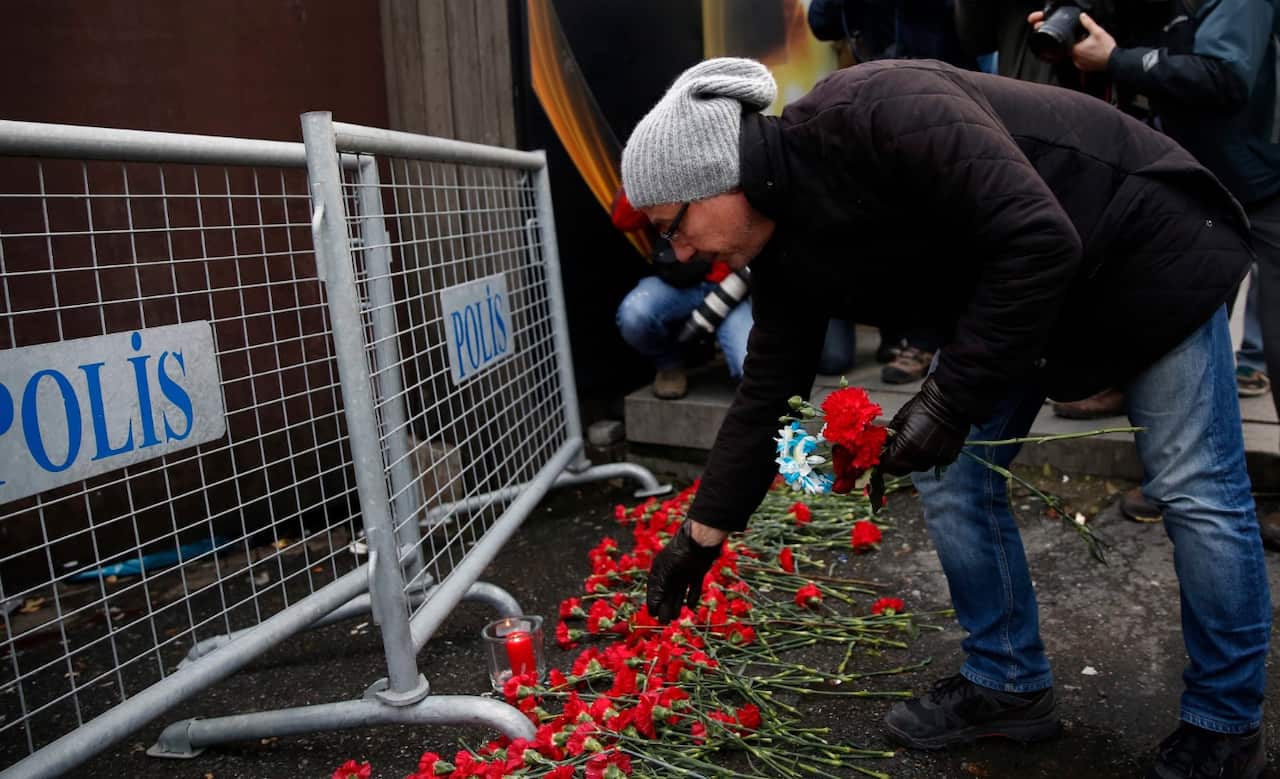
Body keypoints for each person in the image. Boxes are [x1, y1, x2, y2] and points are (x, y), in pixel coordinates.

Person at [628, 58, 1269, 778]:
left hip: (1144, 243)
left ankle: (1225, 720)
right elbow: (767, 390)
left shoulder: (879, 108)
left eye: (674, 225)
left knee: (1194, 489)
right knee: (953, 474)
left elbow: (1039, 237)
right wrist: (701, 534)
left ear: (720, 173)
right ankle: (1006, 683)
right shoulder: (784, 245)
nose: (679, 251)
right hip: (1027, 296)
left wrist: (944, 400)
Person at [1028, 0, 1280, 539]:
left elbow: (1225, 75)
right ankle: (1179, 478)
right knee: (1183, 327)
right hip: (1202, 179)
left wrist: (1117, 59)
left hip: (1264, 181)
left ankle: (1209, 489)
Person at [807, 0, 974, 382]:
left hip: (940, 95)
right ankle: (899, 329)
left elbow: (970, 30)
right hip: (875, 97)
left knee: (938, 222)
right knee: (888, 219)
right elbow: (822, 23)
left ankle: (927, 338)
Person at [611, 189, 855, 400]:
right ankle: (669, 365)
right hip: (682, 281)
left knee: (757, 371)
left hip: (740, 287)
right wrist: (649, 167)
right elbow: (623, 219)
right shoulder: (668, 166)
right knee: (635, 313)